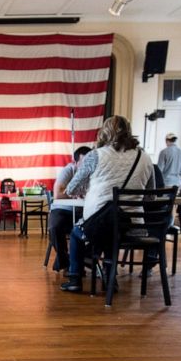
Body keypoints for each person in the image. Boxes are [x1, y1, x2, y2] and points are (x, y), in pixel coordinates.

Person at [61, 117, 155, 293]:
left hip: (99, 226)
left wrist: (88, 188)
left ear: (104, 132)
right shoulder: (145, 157)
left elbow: (71, 188)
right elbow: (150, 195)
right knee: (114, 230)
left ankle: (75, 279)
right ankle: (109, 278)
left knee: (76, 233)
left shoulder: (95, 155)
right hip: (133, 226)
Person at [48, 146, 91, 273]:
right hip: (63, 209)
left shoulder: (94, 172)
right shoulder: (68, 171)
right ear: (75, 162)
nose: (86, 167)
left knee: (98, 227)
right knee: (54, 227)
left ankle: (80, 260)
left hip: (84, 211)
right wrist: (74, 194)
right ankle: (65, 260)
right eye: (83, 163)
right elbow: (57, 194)